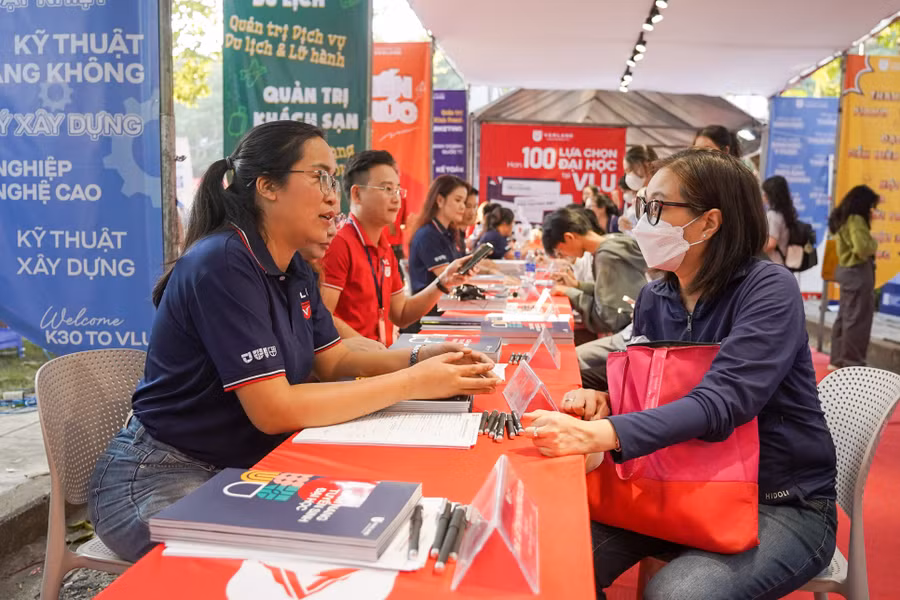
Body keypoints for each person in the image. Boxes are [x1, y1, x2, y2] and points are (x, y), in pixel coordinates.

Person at [87, 122, 500, 562]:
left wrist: (422, 355)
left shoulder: (293, 268)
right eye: (319, 176)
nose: (332, 195)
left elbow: (335, 358)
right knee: (268, 563)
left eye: (333, 179)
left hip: (246, 467)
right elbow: (274, 409)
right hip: (162, 474)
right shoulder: (223, 264)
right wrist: (413, 381)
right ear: (267, 186)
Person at [524, 148, 837, 600]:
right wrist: (611, 402)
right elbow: (659, 388)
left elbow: (722, 403)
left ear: (709, 223)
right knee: (548, 552)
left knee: (677, 593)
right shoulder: (657, 296)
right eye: (641, 206)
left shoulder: (767, 289)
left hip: (779, 502)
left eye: (656, 208)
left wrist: (604, 433)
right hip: (674, 484)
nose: (640, 223)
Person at [321, 150, 474, 347]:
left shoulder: (384, 248)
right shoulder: (340, 243)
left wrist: (444, 281)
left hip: (379, 357)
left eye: (398, 190)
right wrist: (372, 351)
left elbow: (401, 314)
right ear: (357, 194)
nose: (396, 199)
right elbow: (323, 316)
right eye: (386, 189)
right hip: (353, 366)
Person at [543, 206, 647, 338]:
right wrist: (577, 285)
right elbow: (616, 291)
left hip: (632, 334)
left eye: (560, 252)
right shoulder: (614, 239)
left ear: (569, 237)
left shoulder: (607, 256)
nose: (562, 256)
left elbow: (608, 317)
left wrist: (569, 292)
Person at [827, 184, 879, 368]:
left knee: (846, 316)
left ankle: (838, 359)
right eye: (872, 205)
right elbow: (862, 248)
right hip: (857, 271)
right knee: (858, 319)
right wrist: (874, 244)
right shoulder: (856, 219)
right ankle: (853, 363)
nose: (872, 210)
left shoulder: (843, 217)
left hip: (846, 271)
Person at [407, 174, 469, 294]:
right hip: (431, 307)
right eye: (458, 200)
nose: (463, 207)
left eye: (464, 201)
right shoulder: (427, 236)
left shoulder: (448, 233)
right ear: (440, 200)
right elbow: (449, 279)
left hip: (445, 300)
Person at [618, 145, 658, 231]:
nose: (628, 176)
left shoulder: (663, 192)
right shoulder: (643, 194)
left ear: (646, 165)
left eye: (629, 170)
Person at [761, 175, 797, 264]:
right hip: (780, 262)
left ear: (771, 194)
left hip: (771, 264)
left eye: (765, 192)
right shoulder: (784, 213)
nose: (763, 195)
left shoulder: (773, 215)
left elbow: (771, 244)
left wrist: (751, 251)